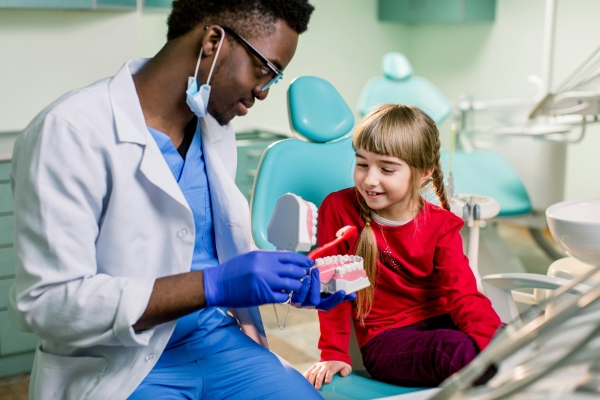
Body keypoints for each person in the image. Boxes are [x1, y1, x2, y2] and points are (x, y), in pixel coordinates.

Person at [8, 1, 352, 399]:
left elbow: (204, 246)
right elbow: (49, 303)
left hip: (215, 340)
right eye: (263, 71)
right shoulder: (70, 131)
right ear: (212, 41)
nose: (262, 92)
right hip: (120, 361)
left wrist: (285, 279)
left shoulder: (214, 128)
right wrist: (212, 285)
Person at [304, 104, 502, 389]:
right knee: (452, 349)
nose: (370, 179)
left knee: (515, 339)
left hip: (440, 320)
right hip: (386, 338)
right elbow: (333, 290)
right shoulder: (339, 208)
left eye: (386, 168)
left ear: (423, 173)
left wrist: (498, 346)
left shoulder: (442, 225)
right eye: (362, 164)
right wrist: (333, 353)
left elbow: (463, 295)